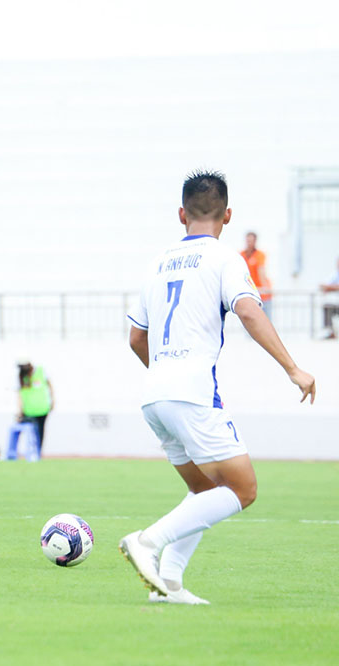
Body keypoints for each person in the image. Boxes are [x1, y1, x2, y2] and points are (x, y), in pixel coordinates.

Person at [121, 171, 315, 604]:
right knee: (243, 490)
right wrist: (293, 368)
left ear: (180, 214)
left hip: (155, 395)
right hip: (191, 392)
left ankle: (169, 584)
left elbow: (136, 337)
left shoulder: (156, 263)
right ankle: (146, 542)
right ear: (227, 215)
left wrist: (164, 374)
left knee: (205, 491)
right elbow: (248, 312)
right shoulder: (224, 258)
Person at [16, 359, 53, 454]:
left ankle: (37, 452)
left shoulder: (40, 371)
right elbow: (20, 395)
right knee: (31, 432)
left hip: (42, 409)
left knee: (40, 431)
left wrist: (52, 400)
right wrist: (20, 411)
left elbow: (50, 386)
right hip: (29, 411)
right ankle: (27, 451)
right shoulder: (22, 377)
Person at [240, 231, 273, 320]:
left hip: (262, 293)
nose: (249, 243)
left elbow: (261, 271)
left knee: (266, 319)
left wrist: (265, 288)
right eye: (248, 240)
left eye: (251, 240)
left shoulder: (259, 255)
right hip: (250, 293)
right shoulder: (241, 255)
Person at [319, 256, 339, 339]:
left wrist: (331, 287)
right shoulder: (335, 275)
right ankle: (330, 332)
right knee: (327, 307)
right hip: (335, 303)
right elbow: (323, 286)